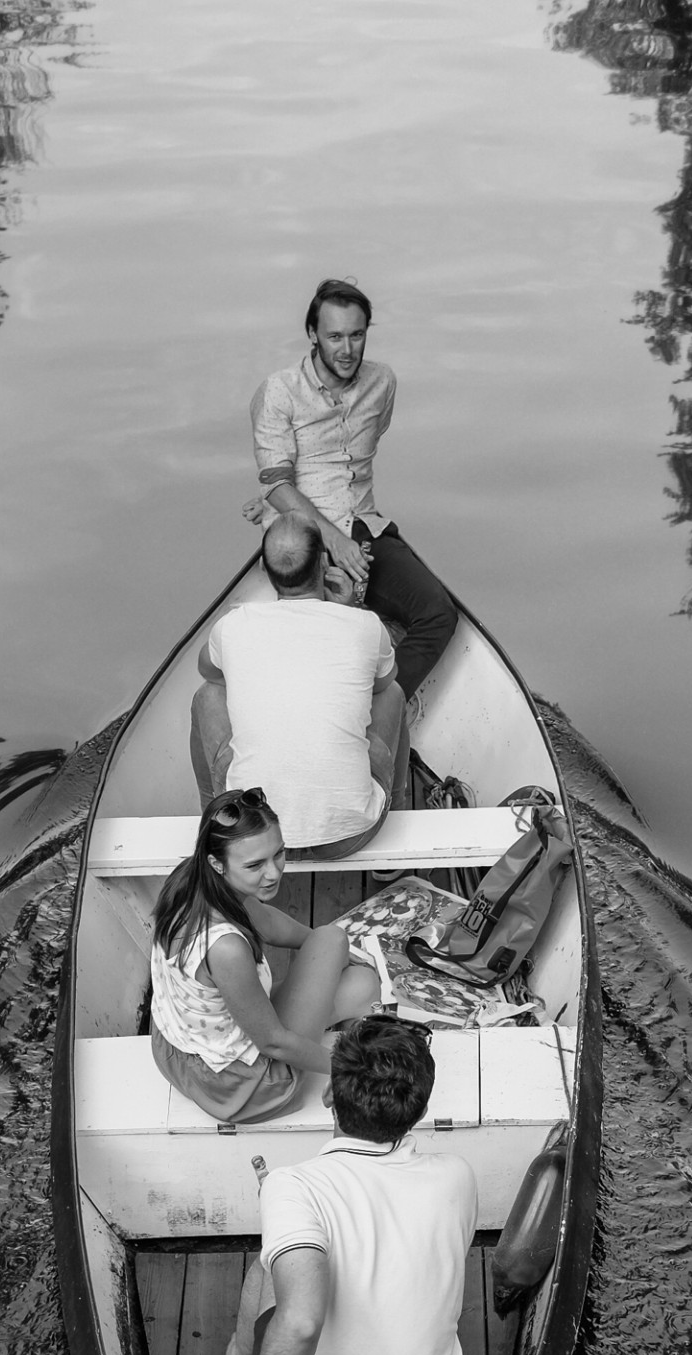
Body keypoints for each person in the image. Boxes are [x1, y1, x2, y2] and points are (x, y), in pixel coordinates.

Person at [205, 1016, 479, 1355]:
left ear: (331, 1095)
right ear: (419, 1108)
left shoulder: (293, 1185)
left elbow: (301, 1320)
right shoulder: (458, 1174)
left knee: (270, 1268)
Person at [247, 276, 458, 701]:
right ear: (312, 334)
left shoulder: (382, 383)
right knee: (323, 631)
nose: (347, 350)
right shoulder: (279, 391)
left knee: (438, 614)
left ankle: (378, 709)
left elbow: (363, 452)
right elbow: (276, 483)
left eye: (357, 335)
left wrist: (348, 537)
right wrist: (334, 540)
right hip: (303, 536)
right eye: (335, 336)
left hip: (366, 524)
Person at [149, 788, 380, 1124]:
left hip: (178, 1047)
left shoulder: (192, 880)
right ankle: (353, 1026)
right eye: (256, 865)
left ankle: (342, 980)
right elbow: (273, 1044)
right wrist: (353, 1068)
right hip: (245, 1085)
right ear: (217, 863)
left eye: (279, 854)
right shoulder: (225, 948)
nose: (273, 873)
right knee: (357, 978)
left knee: (333, 946)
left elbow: (266, 920)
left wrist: (332, 955)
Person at [190, 516, 408, 854]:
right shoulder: (364, 625)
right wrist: (348, 611)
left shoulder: (233, 626)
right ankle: (399, 805)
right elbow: (383, 684)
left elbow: (210, 674)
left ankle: (217, 822)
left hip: (254, 836)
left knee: (207, 696)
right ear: (323, 562)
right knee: (393, 693)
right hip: (349, 836)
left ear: (263, 567)